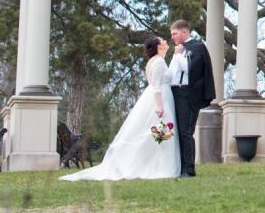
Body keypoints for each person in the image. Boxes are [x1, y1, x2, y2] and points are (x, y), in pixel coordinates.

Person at [60, 36, 179, 181]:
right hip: (160, 101)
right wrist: (160, 106)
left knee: (157, 134)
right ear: (158, 46)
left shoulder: (155, 61)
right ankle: (159, 165)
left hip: (156, 100)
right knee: (162, 133)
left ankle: (155, 163)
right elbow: (156, 87)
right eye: (163, 41)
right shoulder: (159, 62)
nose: (166, 42)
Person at [168, 19, 216, 177]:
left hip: (188, 96)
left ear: (184, 32)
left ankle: (188, 169)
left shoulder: (197, 47)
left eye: (175, 34)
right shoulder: (179, 49)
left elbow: (191, 70)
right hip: (176, 94)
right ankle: (178, 167)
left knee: (186, 132)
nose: (173, 37)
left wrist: (178, 56)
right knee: (178, 132)